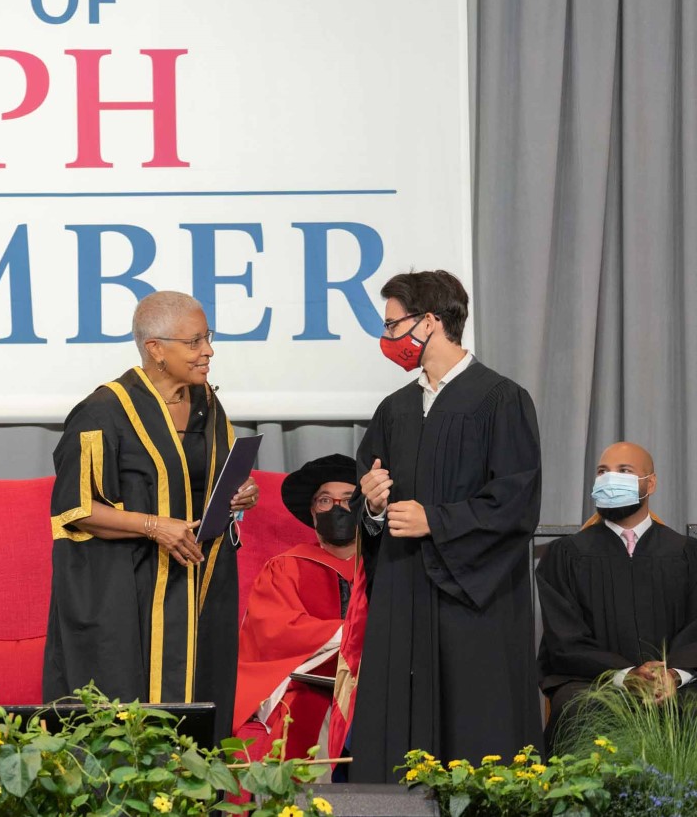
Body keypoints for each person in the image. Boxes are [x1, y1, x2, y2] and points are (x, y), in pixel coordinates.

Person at [350, 270, 542, 780]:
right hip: (402, 595)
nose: (387, 337)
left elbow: (516, 502)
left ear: (430, 322)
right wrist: (370, 505)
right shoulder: (394, 411)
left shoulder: (501, 400)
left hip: (472, 600)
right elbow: (367, 500)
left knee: (476, 733)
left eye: (393, 325)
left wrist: (436, 519)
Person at [43, 291, 257, 744]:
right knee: (121, 723)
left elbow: (203, 484)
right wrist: (153, 526)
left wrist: (236, 495)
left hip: (196, 586)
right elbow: (75, 507)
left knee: (201, 704)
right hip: (125, 591)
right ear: (155, 348)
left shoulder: (207, 407)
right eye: (195, 341)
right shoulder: (103, 412)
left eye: (208, 338)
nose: (208, 351)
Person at [536, 441, 697, 751]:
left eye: (624, 471)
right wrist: (626, 675)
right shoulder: (566, 556)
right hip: (596, 683)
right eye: (602, 472)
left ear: (650, 483)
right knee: (579, 709)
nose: (610, 479)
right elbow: (564, 640)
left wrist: (674, 675)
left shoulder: (688, 555)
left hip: (677, 685)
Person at [233, 454, 358, 762]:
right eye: (325, 500)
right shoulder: (286, 567)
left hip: (379, 681)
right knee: (305, 708)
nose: (338, 508)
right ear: (312, 513)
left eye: (349, 499)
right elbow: (274, 632)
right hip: (310, 683)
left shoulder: (390, 568)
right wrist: (357, 634)